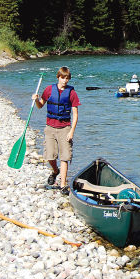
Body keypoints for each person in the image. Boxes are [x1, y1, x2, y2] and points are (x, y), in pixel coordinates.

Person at [32, 66, 81, 195]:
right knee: (50, 156)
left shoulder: (72, 93)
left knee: (65, 157)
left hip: (65, 128)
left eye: (67, 78)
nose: (65, 80)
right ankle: (55, 171)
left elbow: (75, 115)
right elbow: (40, 105)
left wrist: (71, 132)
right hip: (50, 128)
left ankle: (63, 184)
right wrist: (36, 99)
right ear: (58, 77)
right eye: (62, 78)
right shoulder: (49, 90)